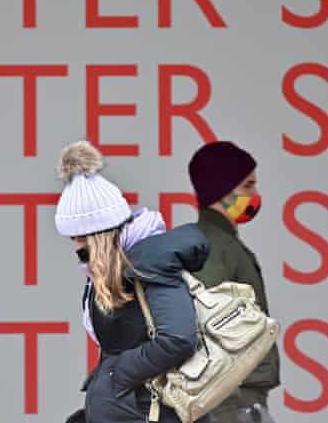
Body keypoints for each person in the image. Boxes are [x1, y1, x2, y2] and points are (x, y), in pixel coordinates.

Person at [54, 140, 212, 423]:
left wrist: (117, 375)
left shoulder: (151, 264)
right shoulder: (112, 272)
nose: (76, 249)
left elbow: (177, 339)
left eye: (78, 239)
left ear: (97, 237)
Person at [187, 141, 280, 423]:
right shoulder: (214, 247)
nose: (255, 195)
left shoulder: (220, 243)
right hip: (231, 406)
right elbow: (211, 334)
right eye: (247, 186)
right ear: (223, 190)